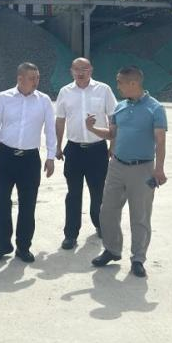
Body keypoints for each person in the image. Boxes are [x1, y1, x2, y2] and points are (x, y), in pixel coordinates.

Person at [86, 66, 167, 278]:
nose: (118, 86)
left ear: (133, 83)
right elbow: (111, 134)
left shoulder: (155, 108)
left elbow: (160, 141)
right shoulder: (119, 107)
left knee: (140, 216)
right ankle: (112, 250)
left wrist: (159, 168)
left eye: (120, 82)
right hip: (116, 166)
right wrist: (92, 129)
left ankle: (138, 259)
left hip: (143, 169)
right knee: (107, 211)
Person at [0, 62, 56, 263]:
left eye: (37, 77)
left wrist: (50, 156)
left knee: (28, 205)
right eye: (32, 78)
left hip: (30, 160)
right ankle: (2, 245)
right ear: (20, 79)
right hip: (4, 157)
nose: (36, 81)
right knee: (2, 203)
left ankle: (23, 247)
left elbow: (50, 129)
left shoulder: (44, 101)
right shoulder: (4, 97)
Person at [54, 57, 117, 250]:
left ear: (91, 70)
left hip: (97, 149)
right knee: (73, 193)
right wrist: (58, 146)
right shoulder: (65, 92)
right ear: (71, 71)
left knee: (98, 192)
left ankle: (100, 224)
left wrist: (113, 145)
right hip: (74, 149)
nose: (80, 72)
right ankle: (70, 234)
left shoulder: (103, 89)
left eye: (84, 69)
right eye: (77, 69)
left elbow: (113, 118)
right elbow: (60, 120)